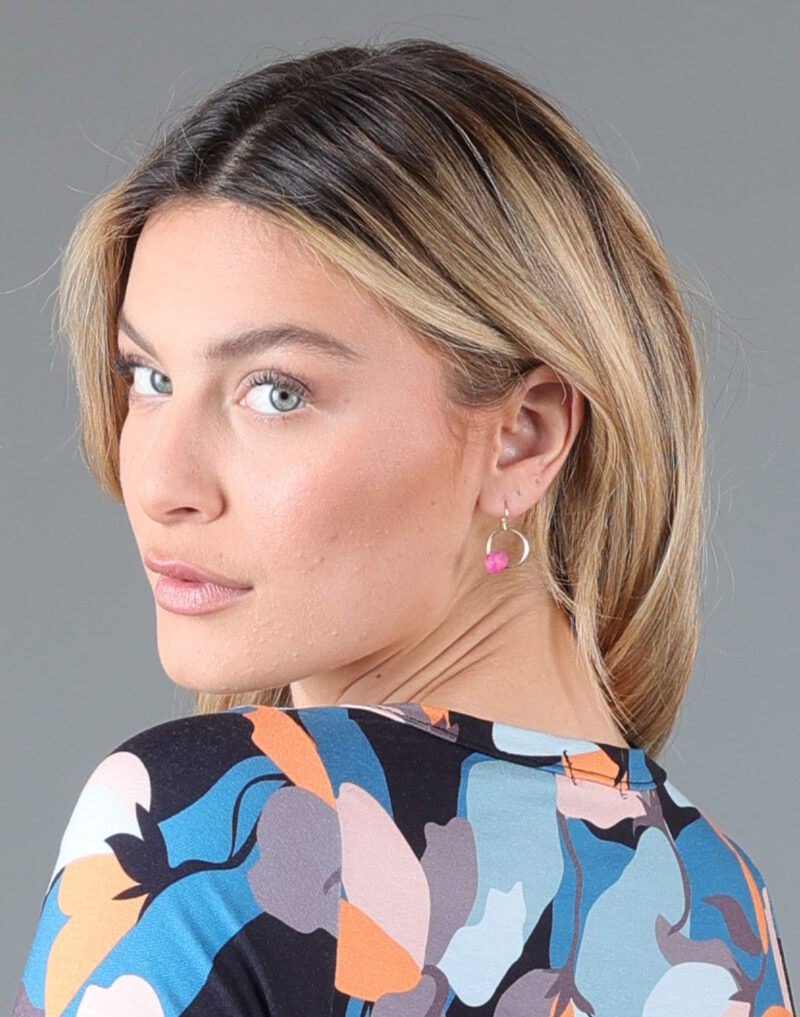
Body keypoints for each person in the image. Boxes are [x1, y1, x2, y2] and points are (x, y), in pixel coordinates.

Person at [12, 37, 794, 1017]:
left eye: (277, 391)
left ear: (522, 435)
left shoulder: (213, 826)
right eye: (150, 377)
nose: (161, 483)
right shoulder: (722, 905)